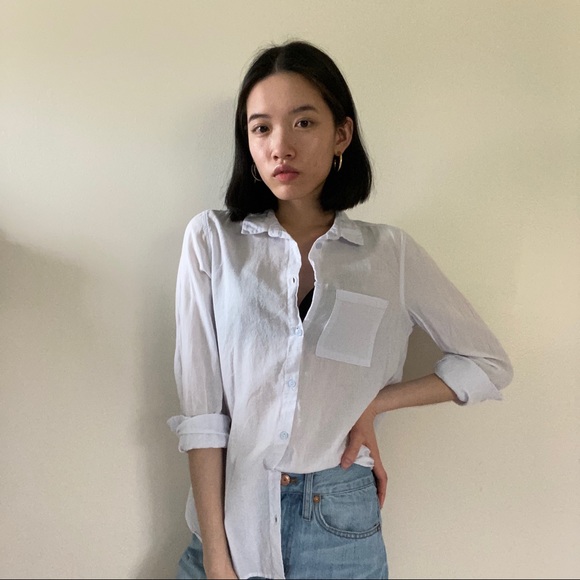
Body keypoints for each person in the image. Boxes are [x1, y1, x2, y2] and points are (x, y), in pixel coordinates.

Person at [168, 40, 513, 580]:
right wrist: (216, 553)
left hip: (339, 517)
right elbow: (203, 414)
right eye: (261, 128)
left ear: (341, 135)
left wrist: (374, 402)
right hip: (234, 514)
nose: (280, 146)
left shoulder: (390, 254)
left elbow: (489, 364)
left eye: (303, 123)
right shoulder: (213, 241)